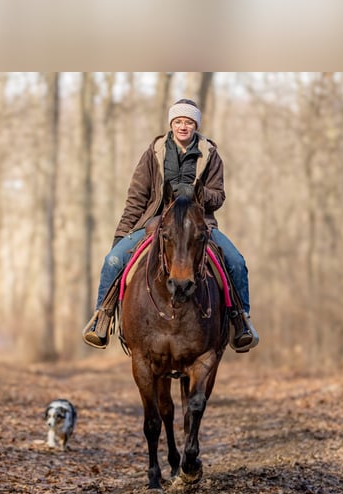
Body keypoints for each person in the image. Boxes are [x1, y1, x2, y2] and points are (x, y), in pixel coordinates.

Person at [82, 98, 259, 352]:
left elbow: (219, 196)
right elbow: (136, 198)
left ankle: (241, 321)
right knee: (112, 260)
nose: (183, 126)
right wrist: (121, 235)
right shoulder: (153, 153)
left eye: (188, 122)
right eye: (178, 121)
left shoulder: (210, 154)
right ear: (171, 124)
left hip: (198, 224)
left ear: (195, 125)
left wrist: (196, 192)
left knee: (236, 262)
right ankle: (102, 317)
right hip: (156, 222)